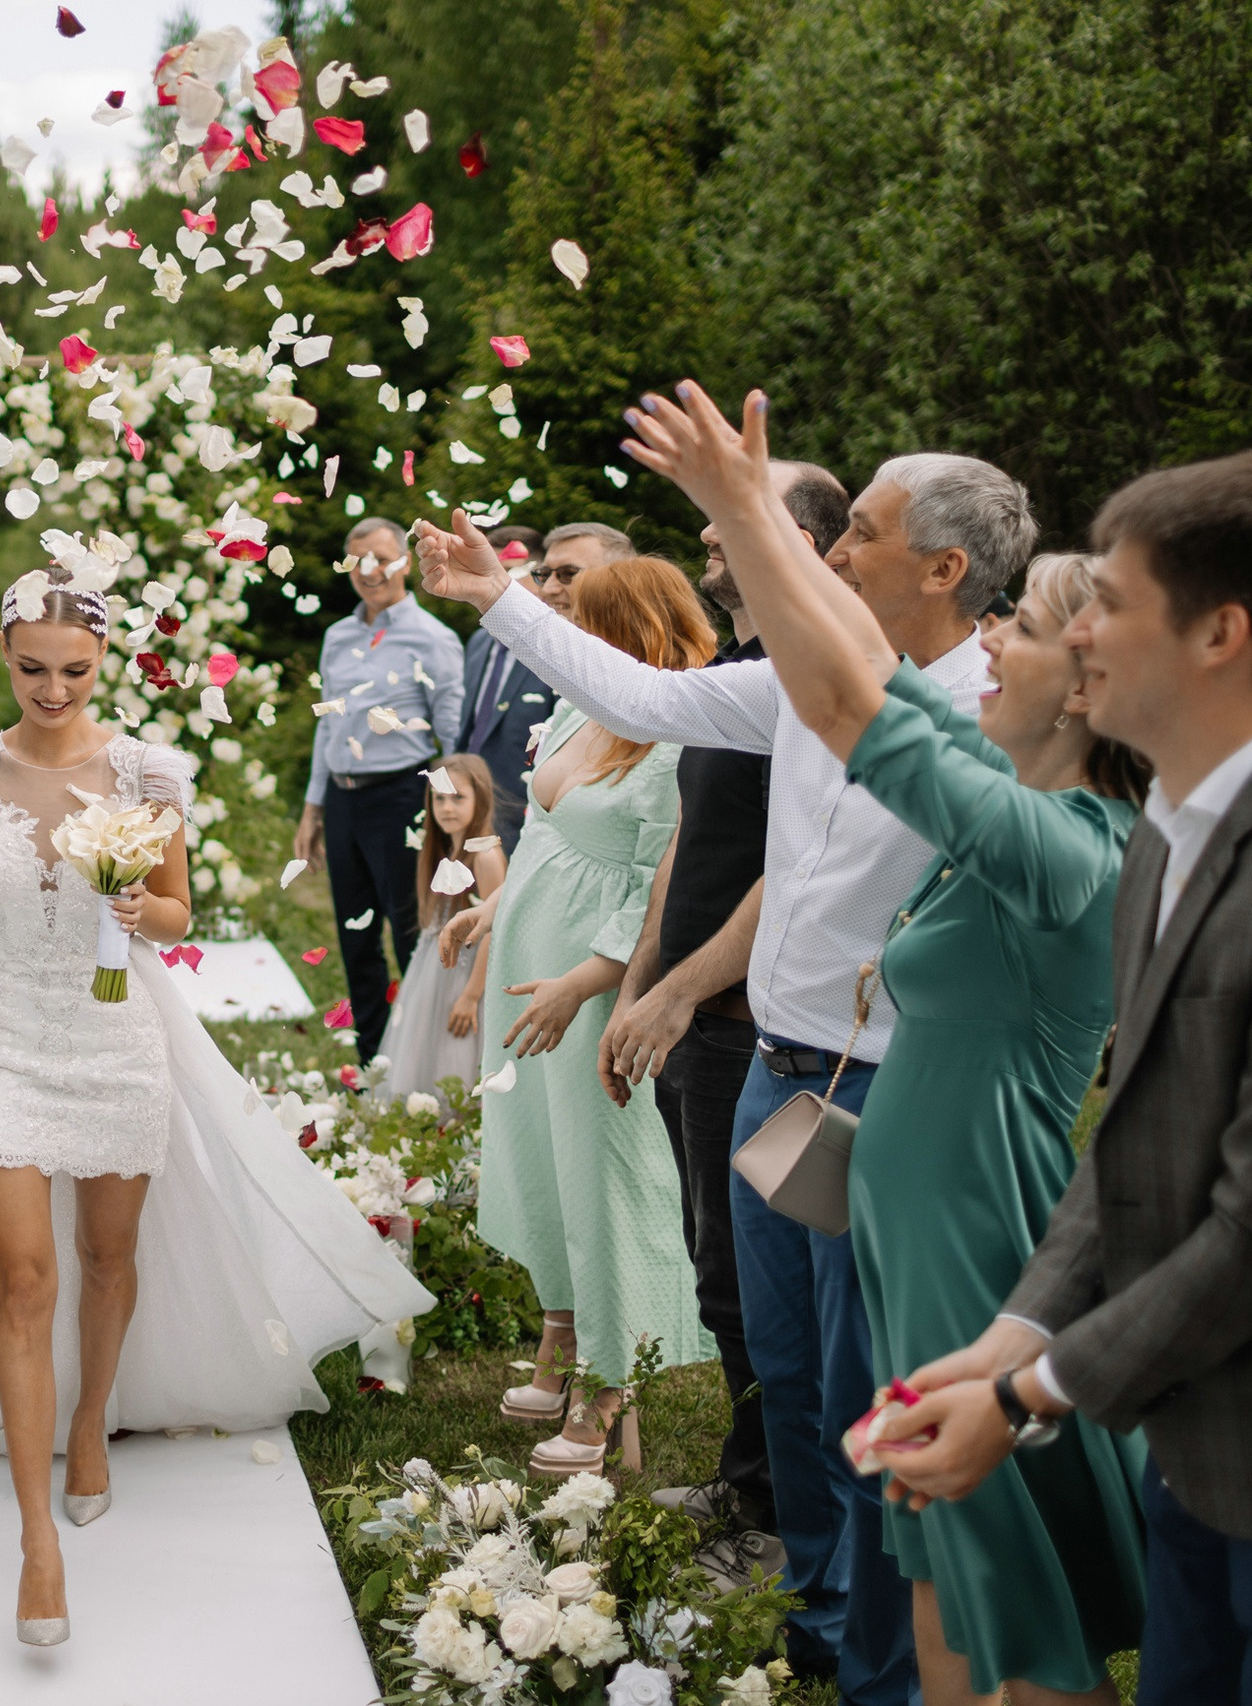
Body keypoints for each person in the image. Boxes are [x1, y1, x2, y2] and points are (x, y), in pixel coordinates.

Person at [418, 446, 1031, 1704]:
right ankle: (815, 1610)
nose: (833, 551)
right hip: (773, 1069)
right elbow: (645, 696)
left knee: (872, 1391)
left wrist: (738, 505)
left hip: (886, 1099)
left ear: (943, 568)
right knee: (787, 1368)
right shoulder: (799, 682)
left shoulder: (993, 712)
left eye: (856, 531)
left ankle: (882, 1664)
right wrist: (499, 599)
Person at [626, 385, 1155, 1701]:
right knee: (948, 1591)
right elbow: (844, 677)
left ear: (1083, 684)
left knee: (1013, 1607)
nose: (991, 650)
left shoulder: (1058, 845)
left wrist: (750, 508)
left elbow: (854, 693)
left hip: (974, 1238)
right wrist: (743, 518)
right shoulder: (1010, 802)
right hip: (915, 1235)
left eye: (1019, 630)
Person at [0, 571, 435, 1645]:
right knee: (25, 1273)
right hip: (1, 1026)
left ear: (102, 662)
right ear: (2, 653)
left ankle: (92, 1421)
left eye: (75, 668)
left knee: (107, 1255)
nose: (52, 686)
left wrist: (131, 896)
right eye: (31, 667)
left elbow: (176, 908)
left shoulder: (145, 769)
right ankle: (35, 1541)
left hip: (114, 1034)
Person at [867, 449, 1252, 1706]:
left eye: (1113, 601)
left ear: (1220, 631)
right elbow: (1132, 1145)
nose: (1078, 627)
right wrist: (1004, 1339)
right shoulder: (1170, 838)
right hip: (1189, 1454)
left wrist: (1027, 1389)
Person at [598, 461, 851, 1594]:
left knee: (759, 1285)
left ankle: (781, 1511)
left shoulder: (817, 683)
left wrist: (685, 989)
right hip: (687, 1002)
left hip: (751, 1015)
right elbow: (690, 848)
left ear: (791, 532)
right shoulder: (732, 673)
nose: (706, 535)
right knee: (719, 1268)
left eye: (730, 517)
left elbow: (782, 873)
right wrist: (639, 977)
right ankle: (748, 1475)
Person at [461, 554, 718, 1477]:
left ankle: (610, 1385)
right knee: (540, 1154)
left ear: (639, 629)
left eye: (592, 625)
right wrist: (496, 909)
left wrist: (588, 980)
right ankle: (561, 1332)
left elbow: (665, 879)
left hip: (603, 975)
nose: (573, 639)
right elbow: (547, 828)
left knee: (608, 1171)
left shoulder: (686, 726)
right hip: (530, 963)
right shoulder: (582, 704)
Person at [290, 517, 467, 1062]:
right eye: (359, 560)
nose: (371, 571)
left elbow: (453, 731)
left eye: (382, 558)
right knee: (353, 934)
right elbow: (328, 723)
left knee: (408, 930)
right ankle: (372, 1058)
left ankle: (420, 1059)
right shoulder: (337, 636)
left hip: (401, 798)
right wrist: (313, 807)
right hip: (342, 800)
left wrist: (449, 810)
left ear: (405, 562)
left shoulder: (434, 639)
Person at [381, 752, 505, 1099]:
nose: (447, 807)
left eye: (458, 797)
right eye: (440, 798)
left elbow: (495, 929)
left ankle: (459, 1121)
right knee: (426, 1042)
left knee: (458, 1050)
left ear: (479, 798)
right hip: (435, 972)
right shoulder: (444, 850)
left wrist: (471, 994)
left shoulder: (484, 855)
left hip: (468, 975)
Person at [458, 527, 558, 851]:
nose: (495, 582)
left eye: (510, 571)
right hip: (467, 809)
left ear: (540, 575)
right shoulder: (478, 642)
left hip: (522, 814)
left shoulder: (556, 647)